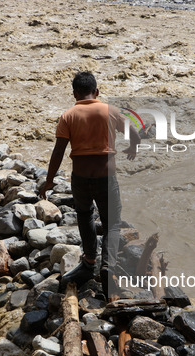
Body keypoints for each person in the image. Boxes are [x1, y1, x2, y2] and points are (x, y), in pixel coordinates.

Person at [39, 71, 140, 296]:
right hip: (107, 178)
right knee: (112, 223)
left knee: (85, 216)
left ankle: (90, 261)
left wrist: (49, 181)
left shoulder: (68, 116)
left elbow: (58, 151)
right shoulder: (111, 111)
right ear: (97, 91)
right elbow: (134, 132)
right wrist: (132, 147)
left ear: (74, 93)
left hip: (81, 179)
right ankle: (108, 266)